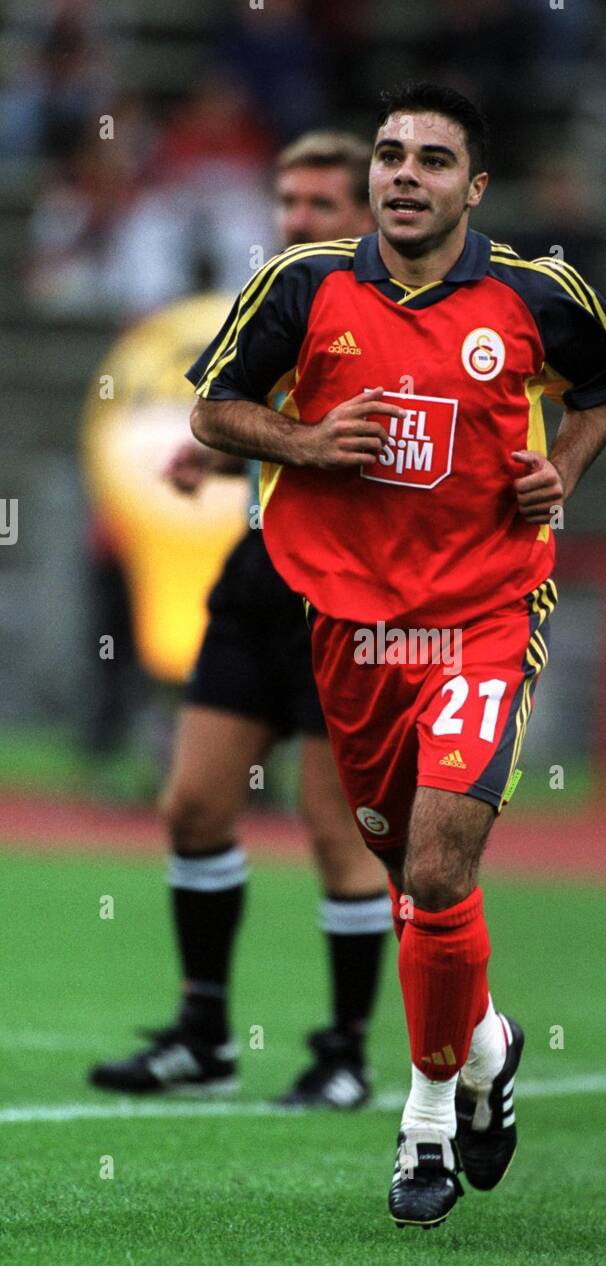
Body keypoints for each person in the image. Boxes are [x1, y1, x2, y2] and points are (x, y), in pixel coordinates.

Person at [188, 83, 606, 1227]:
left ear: (473, 187)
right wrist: (305, 439)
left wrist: (564, 476)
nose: (403, 174)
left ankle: (427, 1120)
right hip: (353, 630)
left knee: (440, 872)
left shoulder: (538, 296)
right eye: (390, 154)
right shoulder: (304, 287)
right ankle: (487, 1050)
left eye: (432, 160)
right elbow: (212, 409)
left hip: (485, 614)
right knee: (413, 891)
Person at [89, 132, 392, 1110]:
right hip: (260, 568)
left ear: (369, 212)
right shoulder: (282, 301)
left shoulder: (397, 321)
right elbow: (259, 416)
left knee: (333, 830)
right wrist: (219, 459)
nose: (295, 221)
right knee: (194, 804)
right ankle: (205, 1033)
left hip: (348, 590)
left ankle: (343, 1052)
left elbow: (375, 450)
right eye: (287, 202)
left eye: (318, 204)